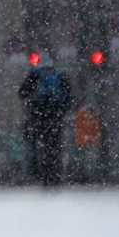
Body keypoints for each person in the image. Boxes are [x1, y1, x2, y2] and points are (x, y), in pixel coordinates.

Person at [17, 56, 72, 186]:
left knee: (35, 143)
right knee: (54, 146)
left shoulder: (35, 74)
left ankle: (38, 173)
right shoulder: (59, 75)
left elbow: (22, 93)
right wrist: (61, 111)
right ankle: (55, 175)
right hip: (55, 116)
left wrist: (31, 103)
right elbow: (69, 96)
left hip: (38, 115)